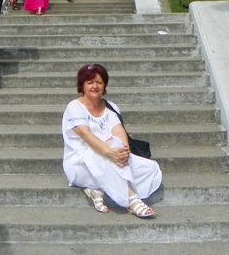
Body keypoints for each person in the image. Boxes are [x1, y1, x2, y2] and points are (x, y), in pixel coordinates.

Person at [62, 64, 161, 218]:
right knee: (101, 152)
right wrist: (109, 152)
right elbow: (85, 134)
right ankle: (132, 199)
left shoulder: (111, 107)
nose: (95, 86)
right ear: (82, 85)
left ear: (105, 85)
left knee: (150, 169)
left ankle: (97, 188)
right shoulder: (74, 107)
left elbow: (119, 131)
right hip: (82, 163)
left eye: (99, 82)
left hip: (113, 159)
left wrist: (124, 150)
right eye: (90, 82)